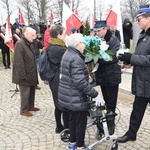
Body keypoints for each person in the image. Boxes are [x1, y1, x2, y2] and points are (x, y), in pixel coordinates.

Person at [58, 33, 105, 150]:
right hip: (75, 97)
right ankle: (80, 147)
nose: (84, 45)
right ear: (78, 44)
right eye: (83, 43)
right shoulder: (76, 58)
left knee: (73, 120)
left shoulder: (67, 53)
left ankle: (72, 143)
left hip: (68, 96)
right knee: (80, 123)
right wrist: (95, 94)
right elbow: (80, 82)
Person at [117, 7, 150, 143]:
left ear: (148, 18)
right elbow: (140, 55)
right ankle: (131, 133)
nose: (137, 22)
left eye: (139, 19)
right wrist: (129, 62)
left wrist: (133, 59)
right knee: (137, 111)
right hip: (143, 81)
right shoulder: (144, 34)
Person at [94, 20, 121, 136]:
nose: (97, 33)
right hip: (102, 76)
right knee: (104, 103)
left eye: (98, 31)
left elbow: (113, 57)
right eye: (95, 31)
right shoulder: (97, 40)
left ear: (105, 29)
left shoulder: (114, 40)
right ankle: (103, 126)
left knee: (111, 104)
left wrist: (98, 57)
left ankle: (110, 128)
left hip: (112, 77)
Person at [46, 25, 69, 134]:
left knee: (57, 103)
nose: (65, 36)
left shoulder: (52, 45)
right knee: (63, 104)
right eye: (64, 34)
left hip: (54, 78)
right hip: (58, 79)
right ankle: (67, 128)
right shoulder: (59, 48)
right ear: (58, 35)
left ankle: (59, 126)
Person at [12, 27, 39, 117]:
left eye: (34, 35)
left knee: (32, 90)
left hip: (31, 72)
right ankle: (23, 109)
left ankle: (30, 106)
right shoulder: (20, 44)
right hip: (24, 74)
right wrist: (22, 75)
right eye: (32, 35)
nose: (34, 37)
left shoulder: (28, 43)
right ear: (26, 34)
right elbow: (18, 61)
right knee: (25, 93)